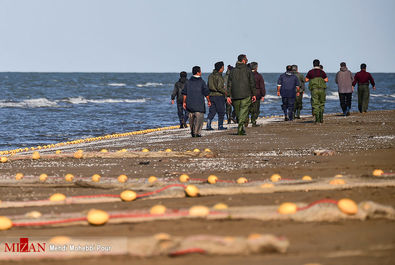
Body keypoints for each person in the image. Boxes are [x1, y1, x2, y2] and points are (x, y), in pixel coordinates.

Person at [227, 54, 256, 135]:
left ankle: (241, 127)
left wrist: (228, 96)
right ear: (243, 60)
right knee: (243, 112)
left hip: (235, 95)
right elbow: (252, 83)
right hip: (246, 94)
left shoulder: (232, 71)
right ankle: (240, 128)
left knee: (239, 112)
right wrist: (254, 94)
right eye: (246, 59)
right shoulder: (248, 70)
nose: (247, 60)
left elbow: (229, 84)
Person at [182, 66, 211, 137]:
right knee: (199, 119)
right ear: (198, 72)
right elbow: (206, 93)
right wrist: (208, 101)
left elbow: (184, 93)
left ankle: (193, 131)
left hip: (190, 105)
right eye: (200, 71)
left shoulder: (188, 82)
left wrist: (184, 102)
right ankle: (197, 132)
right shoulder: (202, 82)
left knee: (191, 120)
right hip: (199, 105)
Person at [306, 59, 328, 123]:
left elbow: (306, 80)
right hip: (322, 89)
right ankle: (321, 119)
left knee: (315, 104)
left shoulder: (310, 72)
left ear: (313, 64)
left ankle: (317, 119)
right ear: (319, 64)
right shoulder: (322, 72)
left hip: (314, 90)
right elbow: (326, 80)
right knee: (322, 103)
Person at [206, 61, 227, 130]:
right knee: (221, 112)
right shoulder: (219, 76)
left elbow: (208, 86)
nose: (223, 69)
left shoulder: (210, 76)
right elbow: (219, 87)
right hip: (219, 96)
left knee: (212, 111)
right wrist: (226, 92)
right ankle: (220, 126)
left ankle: (208, 125)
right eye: (223, 67)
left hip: (211, 96)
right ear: (220, 68)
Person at [249, 62, 266, 127]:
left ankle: (246, 121)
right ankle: (253, 121)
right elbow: (262, 86)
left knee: (248, 108)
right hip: (257, 94)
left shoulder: (247, 75)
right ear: (256, 67)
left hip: (248, 93)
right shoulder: (259, 76)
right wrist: (263, 95)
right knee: (256, 110)